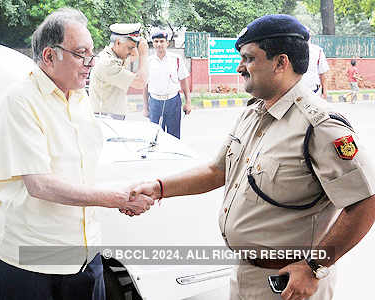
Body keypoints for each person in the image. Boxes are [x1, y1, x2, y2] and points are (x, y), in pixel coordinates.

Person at [128, 15, 375, 300]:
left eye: (248, 58)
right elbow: (216, 171)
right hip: (246, 275)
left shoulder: (319, 126)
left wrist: (314, 267)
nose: (239, 67)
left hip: (289, 284)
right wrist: (159, 188)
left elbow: (365, 201)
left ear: (281, 63)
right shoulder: (253, 113)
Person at [0, 8, 153, 300]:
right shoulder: (19, 101)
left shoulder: (79, 98)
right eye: (81, 54)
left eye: (91, 53)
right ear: (50, 56)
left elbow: (81, 170)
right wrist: (115, 198)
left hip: (85, 256)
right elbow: (39, 184)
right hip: (34, 261)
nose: (90, 62)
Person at [89, 23, 148, 120]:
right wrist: (144, 54)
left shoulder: (115, 56)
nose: (131, 52)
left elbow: (134, 56)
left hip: (110, 116)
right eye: (129, 48)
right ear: (117, 43)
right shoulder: (108, 63)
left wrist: (135, 44)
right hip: (106, 118)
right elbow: (141, 82)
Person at [142, 31, 191, 139]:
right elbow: (145, 86)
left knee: (174, 137)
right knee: (155, 136)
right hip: (155, 102)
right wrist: (145, 107)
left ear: (167, 43)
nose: (159, 44)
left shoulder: (176, 59)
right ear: (153, 43)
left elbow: (183, 81)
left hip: (173, 101)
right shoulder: (148, 62)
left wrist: (188, 102)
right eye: (156, 41)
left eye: (161, 41)